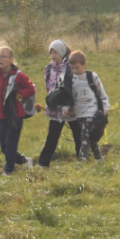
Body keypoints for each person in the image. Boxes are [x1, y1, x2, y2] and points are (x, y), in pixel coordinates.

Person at [0, 45, 35, 175]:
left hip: (16, 114)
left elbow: (31, 90)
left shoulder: (19, 75)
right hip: (1, 114)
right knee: (4, 146)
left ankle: (8, 171)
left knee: (10, 144)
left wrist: (18, 92)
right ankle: (25, 161)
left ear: (11, 59)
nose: (0, 59)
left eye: (3, 56)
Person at [37, 39, 83, 167]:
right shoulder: (49, 68)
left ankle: (82, 160)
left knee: (78, 134)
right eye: (51, 53)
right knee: (52, 136)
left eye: (55, 53)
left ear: (62, 52)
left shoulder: (69, 67)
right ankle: (43, 163)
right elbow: (49, 88)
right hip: (56, 109)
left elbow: (71, 88)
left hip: (70, 108)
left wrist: (67, 105)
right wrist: (50, 102)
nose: (53, 56)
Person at [67, 50, 110, 162]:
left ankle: (81, 160)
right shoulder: (71, 79)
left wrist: (105, 108)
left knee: (84, 137)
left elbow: (102, 93)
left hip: (91, 112)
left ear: (84, 65)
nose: (75, 71)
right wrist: (66, 108)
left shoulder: (92, 76)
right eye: (72, 68)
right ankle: (99, 158)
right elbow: (68, 97)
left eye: (77, 67)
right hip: (78, 114)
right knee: (90, 139)